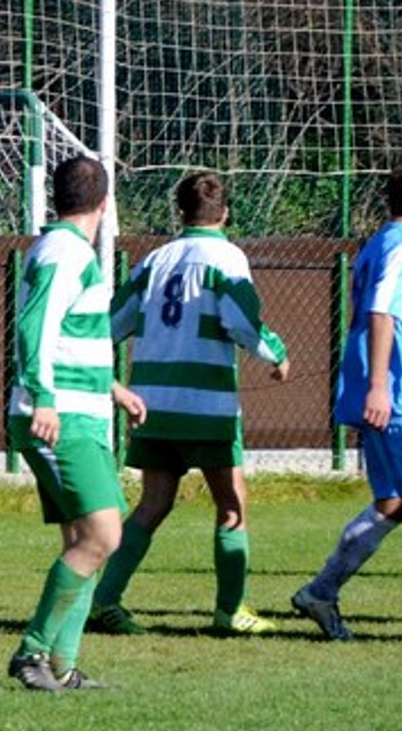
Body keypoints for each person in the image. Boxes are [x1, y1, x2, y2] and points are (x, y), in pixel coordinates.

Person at [86, 172, 291, 637]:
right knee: (232, 505)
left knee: (153, 504)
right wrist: (276, 354)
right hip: (206, 405)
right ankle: (230, 611)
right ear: (225, 213)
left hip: (152, 403)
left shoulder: (155, 260)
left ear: (180, 214)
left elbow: (112, 323)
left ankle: (104, 600)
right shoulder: (227, 257)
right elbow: (243, 320)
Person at [291, 161, 402, 647]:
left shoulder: (379, 244)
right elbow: (379, 314)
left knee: (394, 503)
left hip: (395, 383)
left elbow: (398, 323)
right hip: (399, 395)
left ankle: (320, 593)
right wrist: (380, 385)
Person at [5, 155, 147, 692]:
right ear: (106, 205)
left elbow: (65, 336)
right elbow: (33, 325)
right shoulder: (65, 252)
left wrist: (113, 389)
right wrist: (43, 398)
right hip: (58, 419)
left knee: (88, 540)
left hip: (79, 412)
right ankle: (32, 653)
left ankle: (61, 667)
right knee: (103, 534)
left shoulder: (68, 250)